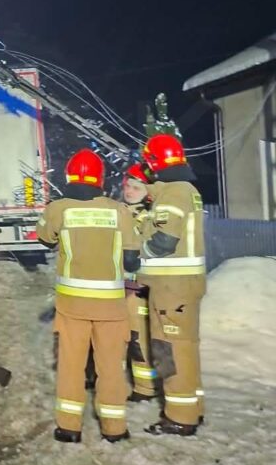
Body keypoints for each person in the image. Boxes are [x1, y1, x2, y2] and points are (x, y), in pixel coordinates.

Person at [37, 149, 140, 443]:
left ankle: (69, 427)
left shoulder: (58, 209)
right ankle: (114, 428)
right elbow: (132, 260)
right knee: (111, 367)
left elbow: (45, 240)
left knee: (71, 364)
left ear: (69, 176)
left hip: (72, 306)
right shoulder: (118, 210)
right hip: (111, 306)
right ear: (101, 178)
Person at [138, 134, 207, 436]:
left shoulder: (174, 193)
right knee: (185, 349)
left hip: (171, 288)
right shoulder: (184, 189)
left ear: (154, 161)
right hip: (180, 286)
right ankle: (192, 408)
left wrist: (132, 255)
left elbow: (164, 242)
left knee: (170, 350)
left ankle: (179, 417)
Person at [122, 163, 158, 401]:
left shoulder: (149, 219)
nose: (130, 191)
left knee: (139, 341)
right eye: (127, 185)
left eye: (136, 187)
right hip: (118, 290)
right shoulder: (120, 212)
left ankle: (146, 388)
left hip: (138, 291)